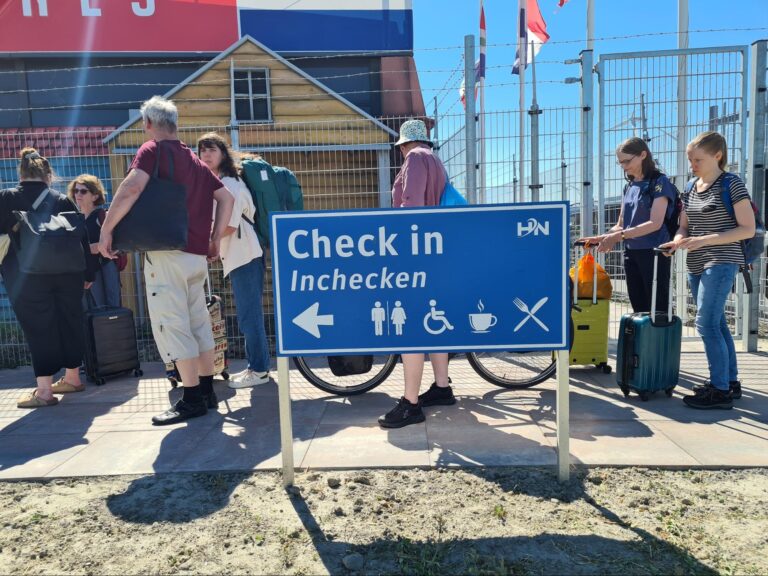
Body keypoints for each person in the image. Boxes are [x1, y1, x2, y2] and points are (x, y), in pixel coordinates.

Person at [99, 96, 234, 425]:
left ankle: (189, 400)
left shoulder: (152, 151)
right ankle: (205, 391)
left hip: (165, 253)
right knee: (199, 323)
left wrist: (106, 230)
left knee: (173, 325)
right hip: (196, 256)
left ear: (148, 123)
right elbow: (226, 197)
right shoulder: (194, 160)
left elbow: (131, 189)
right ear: (174, 124)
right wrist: (215, 239)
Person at [660, 131, 754, 410]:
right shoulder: (691, 187)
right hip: (696, 261)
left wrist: (702, 240)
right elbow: (684, 226)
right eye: (690, 159)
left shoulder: (732, 184)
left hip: (722, 259)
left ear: (718, 156)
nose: (692, 164)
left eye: (698, 159)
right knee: (717, 323)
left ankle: (720, 389)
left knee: (705, 323)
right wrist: (677, 242)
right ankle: (729, 381)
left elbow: (746, 228)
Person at [0, 148, 94, 408]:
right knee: (70, 320)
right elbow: (81, 238)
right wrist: (88, 273)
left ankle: (44, 392)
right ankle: (73, 378)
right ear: (48, 175)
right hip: (68, 273)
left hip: (26, 277)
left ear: (20, 173)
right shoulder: (62, 199)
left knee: (39, 327)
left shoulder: (6, 198)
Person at [378, 119, 455, 429]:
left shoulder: (414, 158)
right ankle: (441, 387)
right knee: (432, 322)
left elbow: (411, 205)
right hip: (435, 250)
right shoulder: (435, 160)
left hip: (416, 250)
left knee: (411, 325)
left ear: (404, 145)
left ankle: (411, 404)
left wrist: (400, 246)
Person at [196, 132, 271, 389]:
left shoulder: (231, 184)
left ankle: (260, 370)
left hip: (245, 254)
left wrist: (209, 242)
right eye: (202, 150)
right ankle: (256, 367)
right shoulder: (221, 183)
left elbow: (229, 225)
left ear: (223, 154)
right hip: (240, 254)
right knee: (248, 315)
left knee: (250, 316)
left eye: (212, 150)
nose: (206, 154)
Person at [579, 137, 677, 314]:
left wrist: (618, 236)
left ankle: (659, 342)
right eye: (620, 163)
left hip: (654, 252)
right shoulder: (629, 186)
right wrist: (600, 237)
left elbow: (655, 223)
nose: (624, 166)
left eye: (627, 161)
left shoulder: (659, 182)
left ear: (643, 155)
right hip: (631, 253)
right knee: (638, 308)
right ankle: (643, 342)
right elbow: (621, 224)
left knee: (658, 309)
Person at [67, 174, 121, 308]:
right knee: (86, 315)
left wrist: (84, 249)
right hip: (82, 273)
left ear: (95, 196)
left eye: (83, 191)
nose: (78, 194)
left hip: (103, 271)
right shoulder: (75, 219)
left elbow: (115, 243)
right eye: (76, 190)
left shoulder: (102, 217)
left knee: (107, 312)